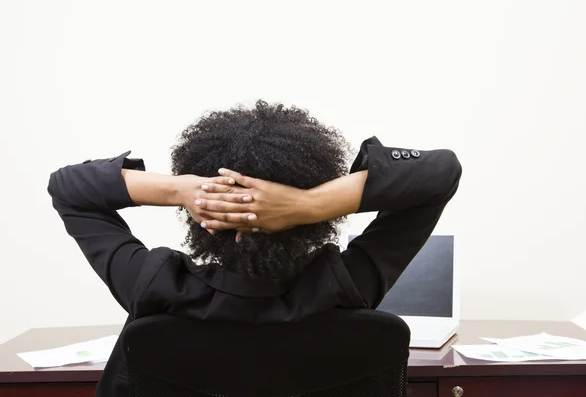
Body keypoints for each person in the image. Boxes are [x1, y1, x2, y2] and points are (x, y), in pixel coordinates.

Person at [48, 100, 461, 397]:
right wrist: (309, 203)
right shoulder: (345, 287)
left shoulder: (154, 287)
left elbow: (67, 188)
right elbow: (439, 174)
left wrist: (181, 188)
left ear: (201, 214)